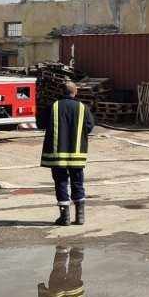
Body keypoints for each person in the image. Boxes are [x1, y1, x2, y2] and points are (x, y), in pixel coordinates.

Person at [39, 79, 94, 227]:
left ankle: (65, 218)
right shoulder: (83, 107)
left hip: (57, 155)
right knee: (78, 183)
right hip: (77, 154)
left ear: (61, 92)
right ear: (75, 92)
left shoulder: (53, 106)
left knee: (61, 183)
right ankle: (80, 217)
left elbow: (40, 124)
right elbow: (89, 127)